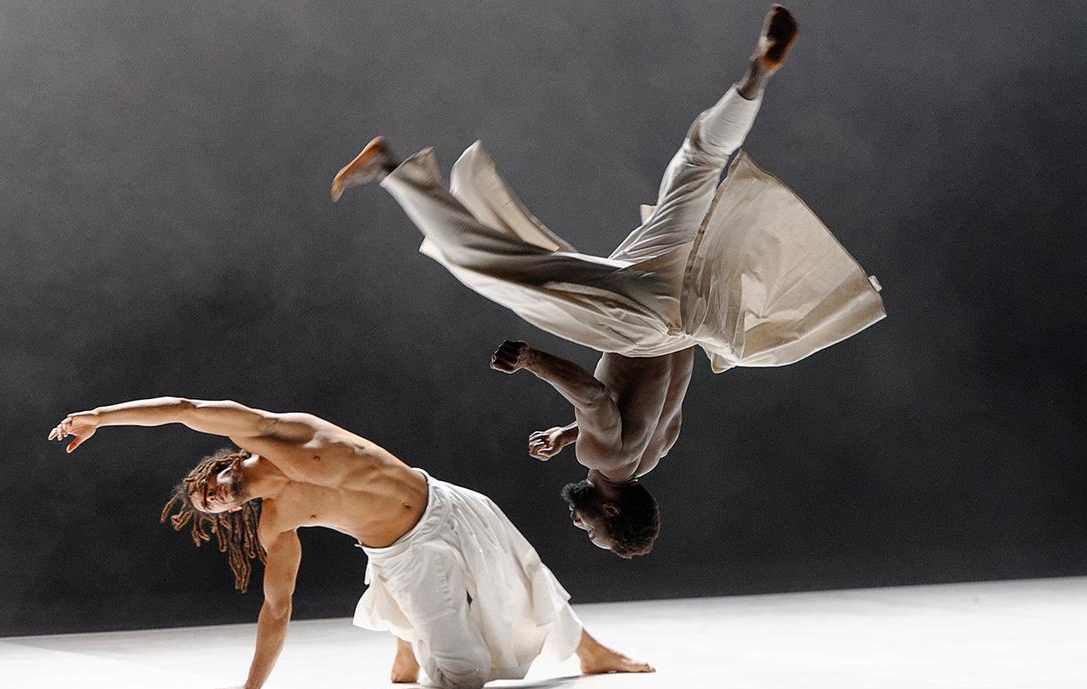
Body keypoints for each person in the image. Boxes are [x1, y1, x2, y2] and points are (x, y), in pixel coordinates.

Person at [330, 5, 884, 558]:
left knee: (698, 158)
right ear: (613, 510)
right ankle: (389, 170)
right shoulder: (604, 461)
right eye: (590, 528)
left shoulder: (657, 448)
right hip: (640, 320)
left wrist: (566, 431)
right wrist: (531, 361)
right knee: (494, 270)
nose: (578, 521)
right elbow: (595, 397)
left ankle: (758, 71)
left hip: (683, 309)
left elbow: (614, 411)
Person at [47, 397, 653, 689]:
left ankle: (594, 652)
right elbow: (276, 608)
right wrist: (251, 688)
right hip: (407, 553)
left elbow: (185, 410)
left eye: (206, 487)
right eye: (214, 507)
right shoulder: (276, 523)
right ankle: (411, 643)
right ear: (230, 514)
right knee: (465, 679)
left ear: (217, 466)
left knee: (524, 570)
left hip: (444, 498)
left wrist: (98, 418)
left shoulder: (286, 432)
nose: (215, 498)